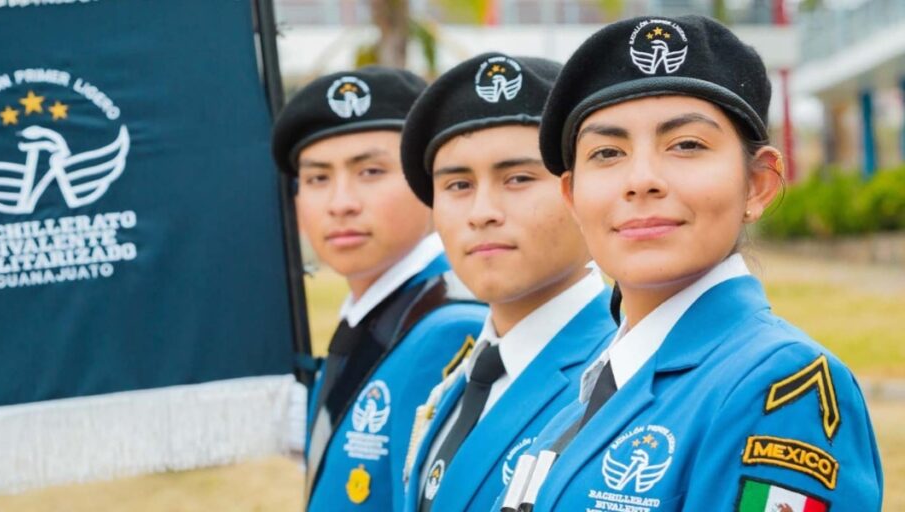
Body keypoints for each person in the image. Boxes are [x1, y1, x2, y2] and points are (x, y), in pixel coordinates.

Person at [497, 15, 883, 512]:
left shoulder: (780, 390)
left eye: (686, 145)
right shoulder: (594, 382)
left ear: (758, 184)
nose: (641, 180)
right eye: (608, 152)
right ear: (571, 197)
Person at [396, 53, 617, 512]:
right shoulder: (459, 376)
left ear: (581, 192)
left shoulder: (621, 374)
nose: (482, 213)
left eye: (517, 178)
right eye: (458, 185)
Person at [271, 66, 488, 511]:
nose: (341, 203)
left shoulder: (448, 326)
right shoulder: (374, 312)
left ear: (428, 180)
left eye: (370, 171)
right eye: (317, 178)